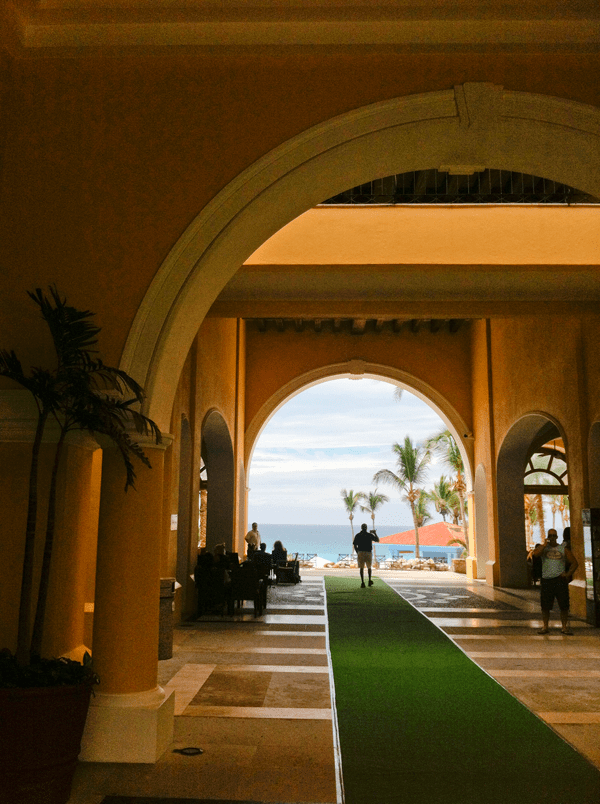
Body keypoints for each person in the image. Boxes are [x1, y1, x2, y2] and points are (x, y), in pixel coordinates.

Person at [532, 528, 578, 634]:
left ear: (557, 537)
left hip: (560, 580)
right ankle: (545, 626)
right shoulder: (543, 549)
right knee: (545, 605)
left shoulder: (563, 549)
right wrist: (544, 545)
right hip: (547, 580)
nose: (552, 538)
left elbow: (574, 563)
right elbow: (536, 554)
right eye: (550, 536)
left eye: (554, 536)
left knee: (564, 605)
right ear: (548, 537)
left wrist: (567, 574)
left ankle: (564, 627)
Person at [353, 523, 379, 588]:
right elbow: (377, 540)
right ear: (366, 528)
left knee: (361, 568)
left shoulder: (358, 535)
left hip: (361, 552)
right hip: (368, 552)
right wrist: (374, 533)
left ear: (361, 528)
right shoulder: (369, 535)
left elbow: (355, 545)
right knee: (369, 567)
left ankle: (362, 582)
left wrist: (357, 552)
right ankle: (369, 581)